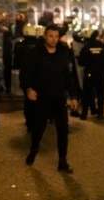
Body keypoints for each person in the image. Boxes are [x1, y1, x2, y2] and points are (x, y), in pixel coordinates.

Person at [20, 24, 79, 173]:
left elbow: (67, 76)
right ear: (45, 36)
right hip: (41, 98)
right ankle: (34, 150)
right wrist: (28, 89)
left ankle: (63, 161)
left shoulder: (62, 53)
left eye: (56, 36)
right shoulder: (34, 53)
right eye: (50, 36)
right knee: (39, 128)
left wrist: (73, 96)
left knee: (62, 130)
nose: (53, 39)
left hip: (58, 97)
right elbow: (26, 74)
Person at [77, 29, 104, 120]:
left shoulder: (86, 47)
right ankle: (100, 113)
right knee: (100, 95)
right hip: (101, 74)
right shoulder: (103, 46)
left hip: (89, 74)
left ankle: (84, 114)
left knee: (86, 94)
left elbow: (81, 62)